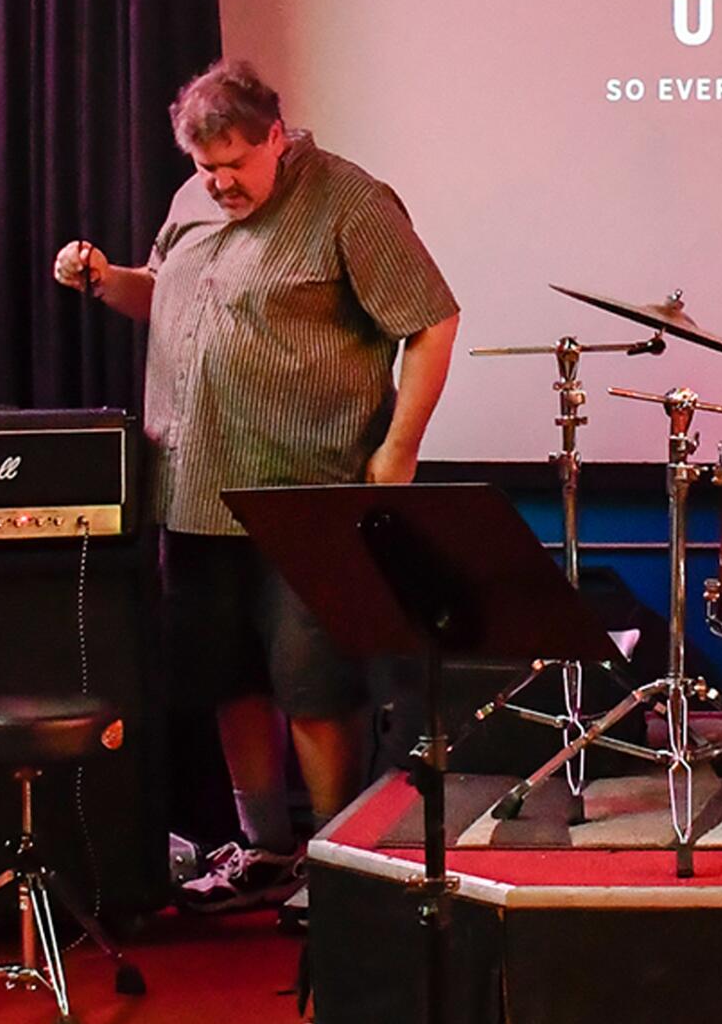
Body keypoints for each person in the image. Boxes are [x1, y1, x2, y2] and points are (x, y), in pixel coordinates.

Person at [55, 60, 459, 910]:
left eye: (236, 162)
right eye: (206, 168)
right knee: (227, 676)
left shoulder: (350, 201)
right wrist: (103, 280)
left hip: (306, 487)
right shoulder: (191, 200)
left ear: (277, 136)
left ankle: (333, 859)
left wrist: (400, 450)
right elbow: (160, 295)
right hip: (195, 488)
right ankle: (265, 848)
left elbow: (431, 320)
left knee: (313, 684)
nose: (220, 182)